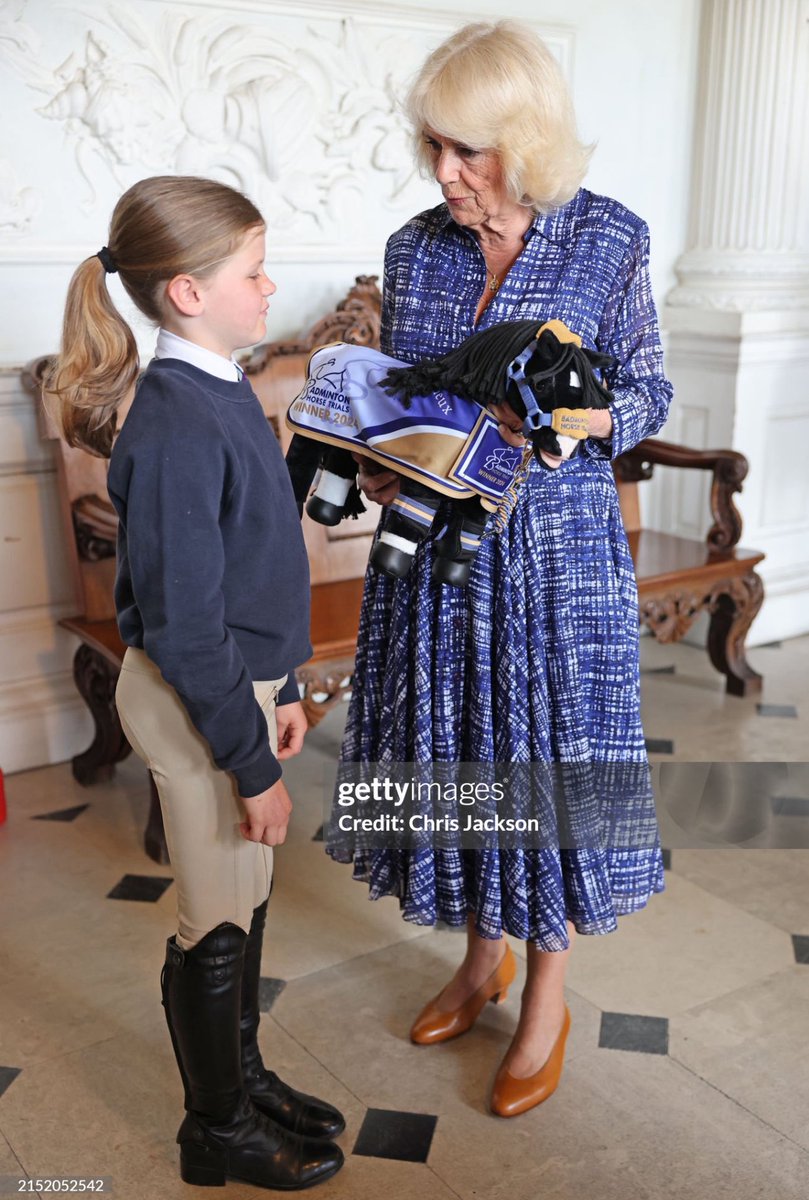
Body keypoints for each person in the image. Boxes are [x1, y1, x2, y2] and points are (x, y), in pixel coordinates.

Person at [328, 21, 673, 1118]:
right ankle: (481, 961)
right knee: (466, 758)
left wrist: (572, 413)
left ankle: (545, 996)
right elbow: (404, 392)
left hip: (556, 563)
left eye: (467, 150)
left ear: (523, 141)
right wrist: (381, 457)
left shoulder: (608, 238)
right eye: (433, 145)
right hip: (434, 554)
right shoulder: (413, 245)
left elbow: (648, 397)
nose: (444, 173)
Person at [46, 176, 344, 1189]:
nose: (270, 287)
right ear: (186, 293)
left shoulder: (219, 387)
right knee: (213, 918)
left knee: (244, 898)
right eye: (252, 271)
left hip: (239, 688)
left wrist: (288, 683)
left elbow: (252, 567)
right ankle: (213, 1129)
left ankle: (245, 1075)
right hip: (196, 702)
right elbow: (184, 626)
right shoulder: (175, 423)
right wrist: (251, 764)